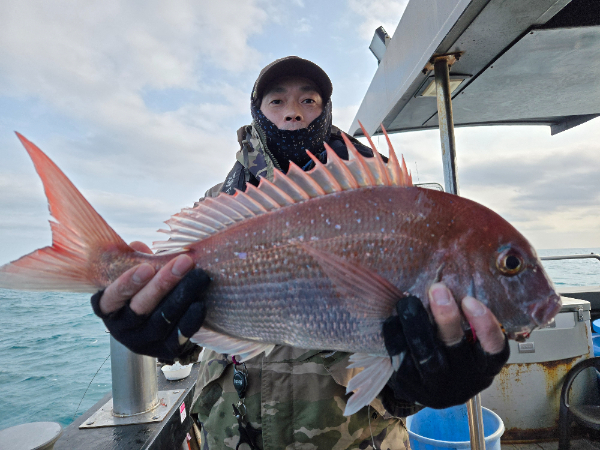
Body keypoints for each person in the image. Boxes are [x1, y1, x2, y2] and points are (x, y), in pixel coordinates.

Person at [92, 57, 509, 449]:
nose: (292, 112)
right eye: (277, 101)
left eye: (308, 100)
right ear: (257, 113)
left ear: (326, 111)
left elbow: (407, 337)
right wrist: (158, 333)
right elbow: (191, 332)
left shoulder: (386, 200)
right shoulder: (221, 203)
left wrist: (419, 382)